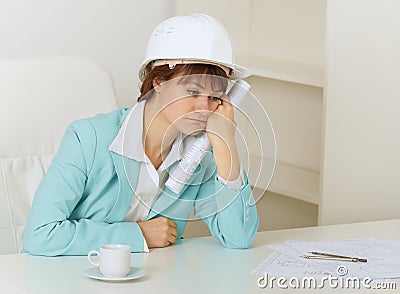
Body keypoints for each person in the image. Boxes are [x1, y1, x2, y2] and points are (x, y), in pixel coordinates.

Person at [23, 13, 259, 256]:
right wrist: (139, 235)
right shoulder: (87, 138)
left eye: (214, 98)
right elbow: (40, 235)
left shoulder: (202, 156)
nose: (204, 108)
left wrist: (224, 145)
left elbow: (238, 238)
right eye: (192, 91)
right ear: (159, 83)